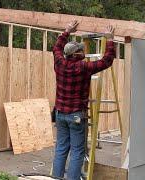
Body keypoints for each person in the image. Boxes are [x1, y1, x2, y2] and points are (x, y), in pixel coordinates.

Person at [52, 20, 116, 180]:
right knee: (77, 151)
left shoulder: (59, 63)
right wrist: (109, 39)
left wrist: (67, 31)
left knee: (61, 148)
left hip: (60, 114)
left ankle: (56, 178)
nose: (84, 53)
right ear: (75, 54)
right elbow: (106, 61)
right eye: (82, 51)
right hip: (75, 116)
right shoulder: (83, 67)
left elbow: (57, 48)